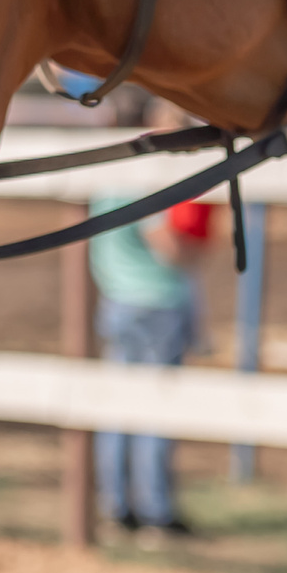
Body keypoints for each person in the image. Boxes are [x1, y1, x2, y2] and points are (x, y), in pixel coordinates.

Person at [86, 191, 212, 541]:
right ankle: (155, 513)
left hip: (118, 301)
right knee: (156, 411)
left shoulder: (103, 186)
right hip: (157, 304)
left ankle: (116, 507)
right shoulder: (141, 184)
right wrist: (197, 250)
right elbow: (168, 247)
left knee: (117, 411)